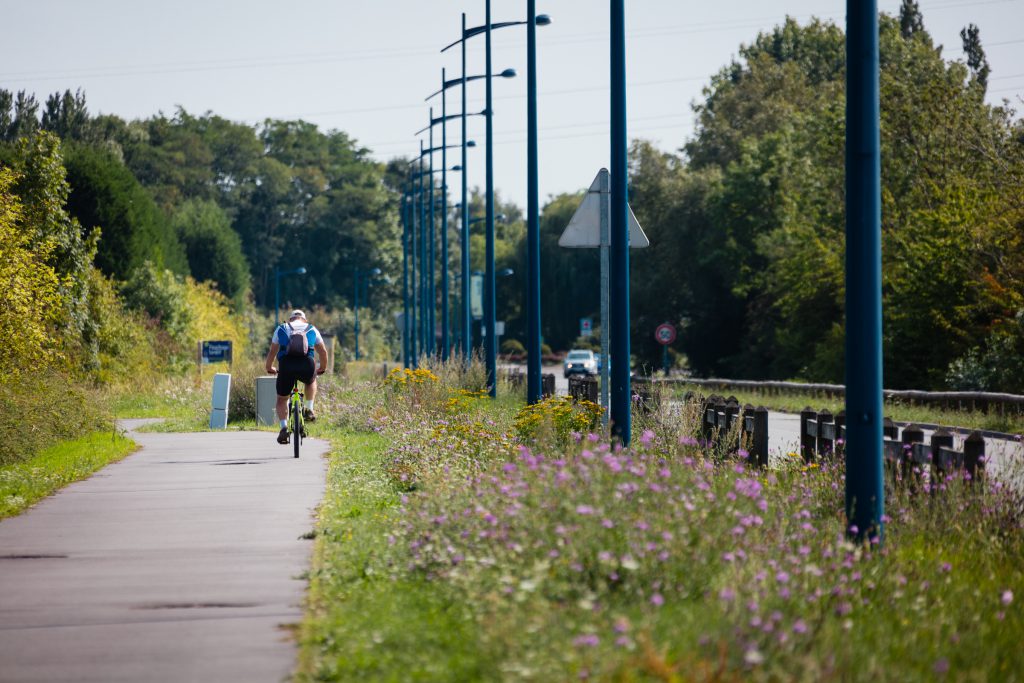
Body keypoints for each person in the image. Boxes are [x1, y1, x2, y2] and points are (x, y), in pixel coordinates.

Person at [265, 310, 329, 444]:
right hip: (306, 364)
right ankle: (309, 409)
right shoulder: (311, 328)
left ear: (291, 319)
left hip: (286, 365)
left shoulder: (282, 328)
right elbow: (322, 351)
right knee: (311, 381)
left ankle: (283, 428)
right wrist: (322, 367)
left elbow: (273, 350)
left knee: (282, 399)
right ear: (303, 319)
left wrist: (269, 367)